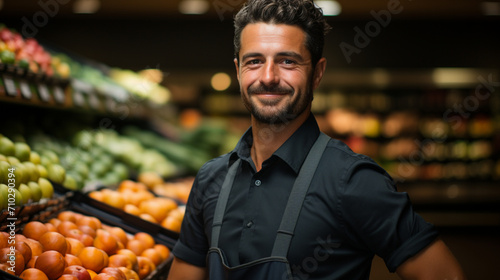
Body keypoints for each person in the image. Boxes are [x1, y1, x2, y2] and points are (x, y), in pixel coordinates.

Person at [167, 0, 466, 279]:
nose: (268, 76)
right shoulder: (210, 178)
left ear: (317, 73)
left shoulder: (353, 180)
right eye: (255, 61)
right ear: (238, 70)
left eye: (287, 61)